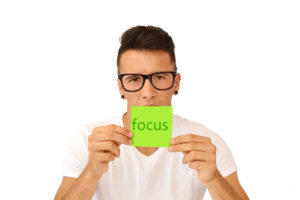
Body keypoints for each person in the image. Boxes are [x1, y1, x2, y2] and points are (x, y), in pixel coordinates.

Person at [54, 25, 249, 200]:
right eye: (134, 79)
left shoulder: (206, 142)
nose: (148, 93)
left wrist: (214, 179)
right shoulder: (88, 139)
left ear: (176, 83)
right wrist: (92, 171)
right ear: (121, 87)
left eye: (160, 77)